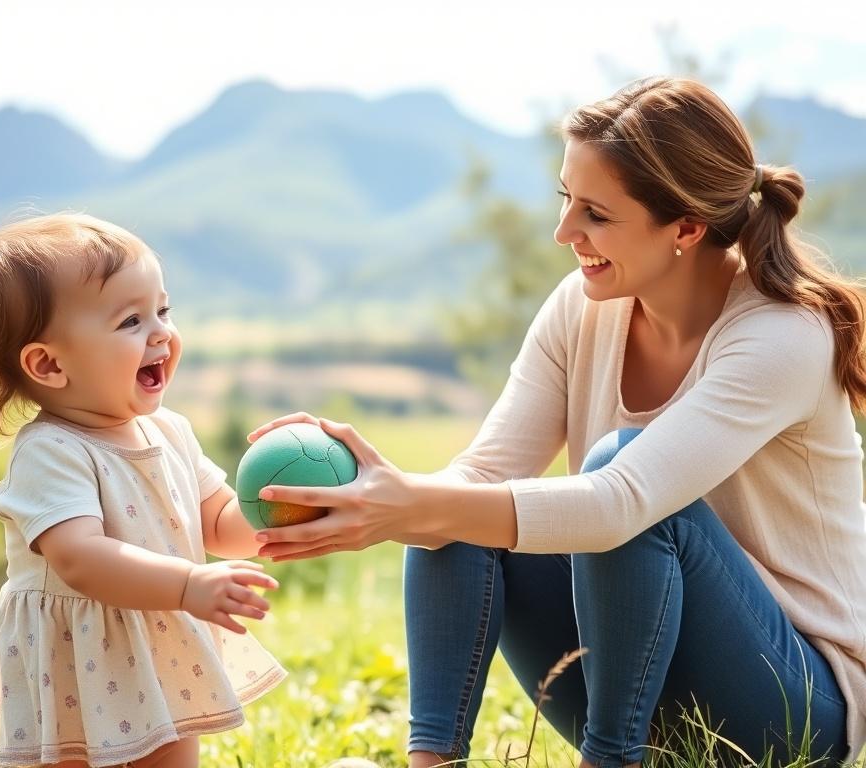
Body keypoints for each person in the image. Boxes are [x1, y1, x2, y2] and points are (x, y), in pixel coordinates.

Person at [248, 77, 866, 768]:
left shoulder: (784, 337)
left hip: (787, 711)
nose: (564, 232)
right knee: (459, 507)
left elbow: (619, 504)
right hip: (634, 668)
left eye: (596, 214)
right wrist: (377, 494)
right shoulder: (582, 305)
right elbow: (483, 477)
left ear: (686, 228)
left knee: (609, 476)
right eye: (565, 199)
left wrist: (413, 504)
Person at [0, 214, 285, 768]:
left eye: (162, 311)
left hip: (161, 636)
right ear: (49, 363)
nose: (162, 333)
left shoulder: (171, 431)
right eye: (130, 321)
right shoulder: (52, 450)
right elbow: (80, 558)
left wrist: (278, 509)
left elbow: (219, 522)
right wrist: (189, 582)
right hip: (75, 652)